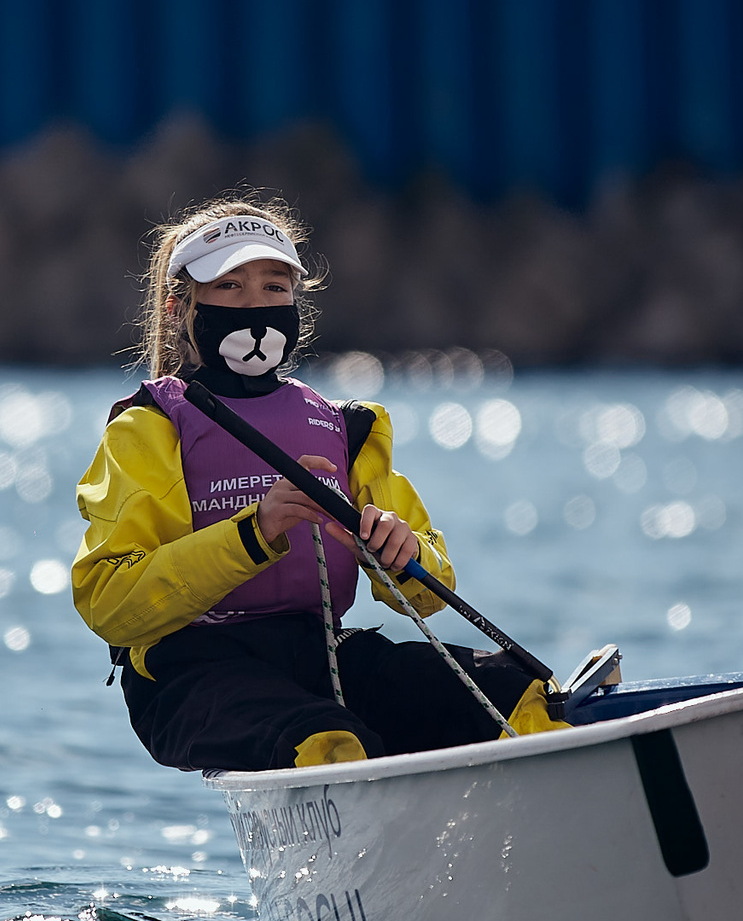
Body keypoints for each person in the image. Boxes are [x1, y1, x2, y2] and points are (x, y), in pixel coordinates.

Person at [70, 197, 556, 772]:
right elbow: (109, 604)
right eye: (229, 288)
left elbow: (430, 587)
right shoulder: (150, 427)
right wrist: (257, 531)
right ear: (181, 308)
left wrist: (398, 555)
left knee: (517, 690)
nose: (255, 307)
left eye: (275, 288)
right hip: (190, 673)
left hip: (319, 655)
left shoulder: (348, 426)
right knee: (326, 740)